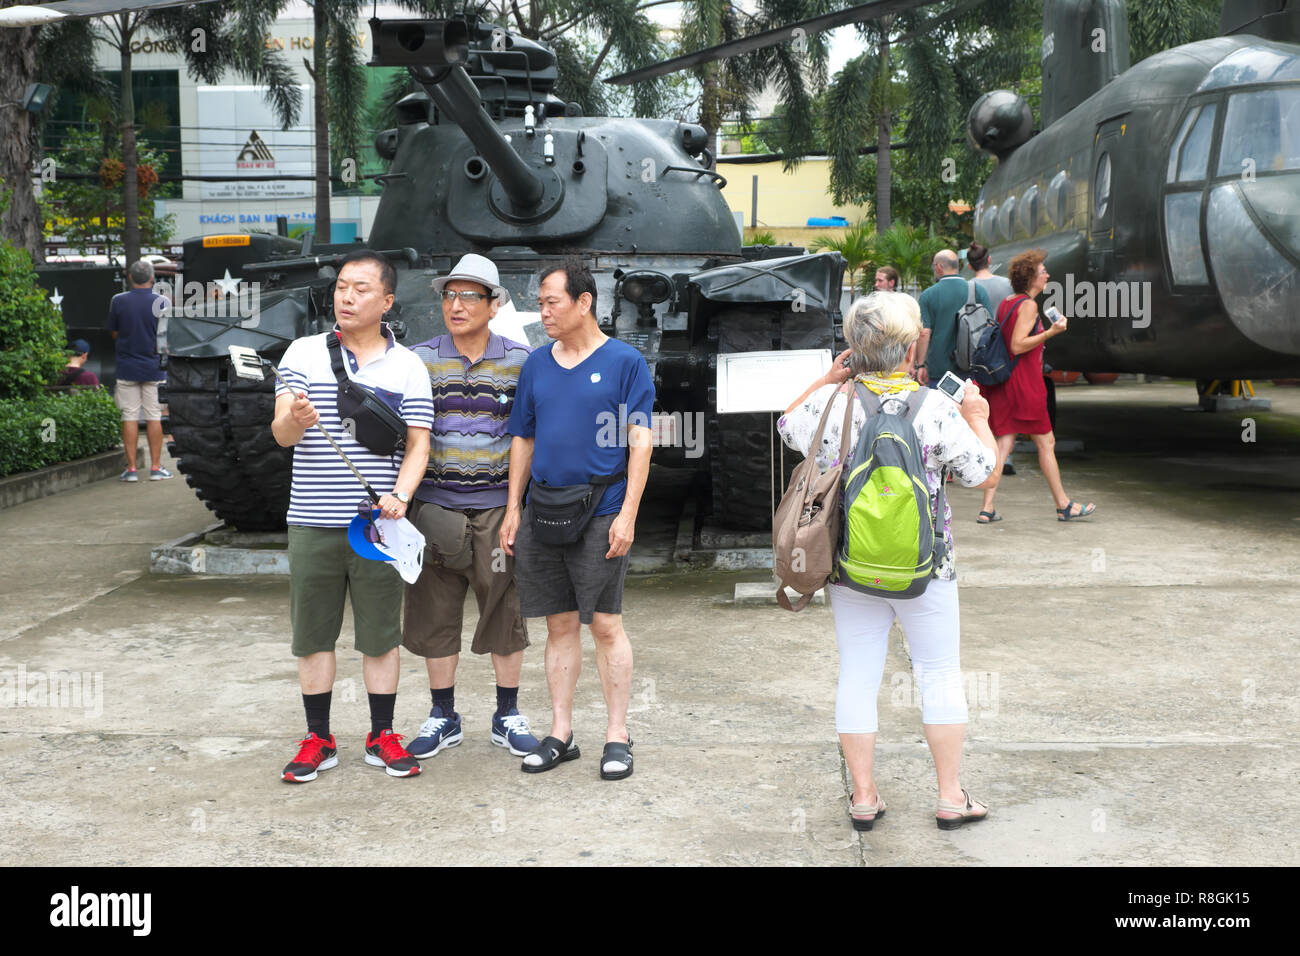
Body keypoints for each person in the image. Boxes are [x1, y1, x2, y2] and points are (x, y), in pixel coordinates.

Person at [777, 291, 999, 831]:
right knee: (940, 674)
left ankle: (863, 796)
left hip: (851, 565)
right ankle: (950, 797)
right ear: (909, 348)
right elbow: (983, 474)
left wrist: (831, 381)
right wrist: (978, 416)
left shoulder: (834, 406)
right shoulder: (937, 408)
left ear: (854, 349)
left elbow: (787, 426)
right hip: (929, 567)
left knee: (857, 672)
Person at [272, 250, 434, 783]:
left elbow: (418, 445)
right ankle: (318, 737)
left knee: (380, 635)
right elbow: (281, 434)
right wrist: (295, 418)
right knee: (312, 635)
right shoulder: (303, 353)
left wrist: (402, 496)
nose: (346, 296)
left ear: (387, 301)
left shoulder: (407, 365)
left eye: (361, 288)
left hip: (376, 525)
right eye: (342, 286)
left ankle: (381, 735)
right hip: (312, 521)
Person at [499, 260, 654, 780]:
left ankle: (617, 734)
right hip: (543, 510)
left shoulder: (626, 362)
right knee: (558, 623)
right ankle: (561, 732)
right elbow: (523, 437)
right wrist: (511, 509)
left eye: (551, 302)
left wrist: (629, 512)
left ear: (584, 302)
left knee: (605, 624)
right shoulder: (537, 365)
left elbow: (640, 439)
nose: (543, 312)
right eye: (541, 302)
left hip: (602, 509)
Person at [402, 254, 539, 761]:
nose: (456, 305)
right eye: (449, 295)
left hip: (496, 514)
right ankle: (443, 715)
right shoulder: (418, 359)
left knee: (506, 608)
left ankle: (507, 715)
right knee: (434, 615)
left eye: (469, 296)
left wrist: (517, 508)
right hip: (435, 511)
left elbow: (529, 435)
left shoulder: (521, 361)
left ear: (494, 303)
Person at [978, 250, 1097, 523]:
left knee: (1004, 443)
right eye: (1043, 271)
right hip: (1025, 384)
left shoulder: (1008, 302)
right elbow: (1017, 345)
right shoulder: (1029, 306)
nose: (1047, 275)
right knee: (1046, 442)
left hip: (1007, 383)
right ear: (1031, 277)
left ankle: (987, 508)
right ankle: (1063, 505)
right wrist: (1051, 332)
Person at [109, 260, 171, 481]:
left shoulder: (118, 301)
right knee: (154, 416)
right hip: (154, 368)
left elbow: (114, 333)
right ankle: (156, 468)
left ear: (130, 278)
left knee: (129, 416)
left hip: (127, 368)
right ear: (153, 278)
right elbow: (166, 336)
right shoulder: (162, 302)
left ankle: (132, 469)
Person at [966, 243, 1017, 475]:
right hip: (1002, 352)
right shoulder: (1006, 285)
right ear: (989, 260)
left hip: (977, 353)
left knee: (980, 407)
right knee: (1003, 406)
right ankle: (1006, 457)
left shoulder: (968, 287)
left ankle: (983, 454)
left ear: (969, 265)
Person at [915, 249, 991, 388]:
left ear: (939, 267)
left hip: (940, 371)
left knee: (943, 409)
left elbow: (924, 333)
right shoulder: (977, 290)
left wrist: (920, 365)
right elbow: (990, 328)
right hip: (973, 368)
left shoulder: (928, 295)